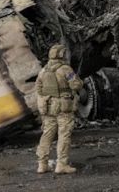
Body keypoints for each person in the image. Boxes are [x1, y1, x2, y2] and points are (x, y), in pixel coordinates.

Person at [35, 44, 83, 174]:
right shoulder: (65, 69)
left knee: (47, 135)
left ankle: (42, 164)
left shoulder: (43, 70)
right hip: (63, 106)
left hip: (48, 107)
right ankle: (61, 165)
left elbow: (38, 89)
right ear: (61, 55)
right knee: (64, 135)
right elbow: (76, 84)